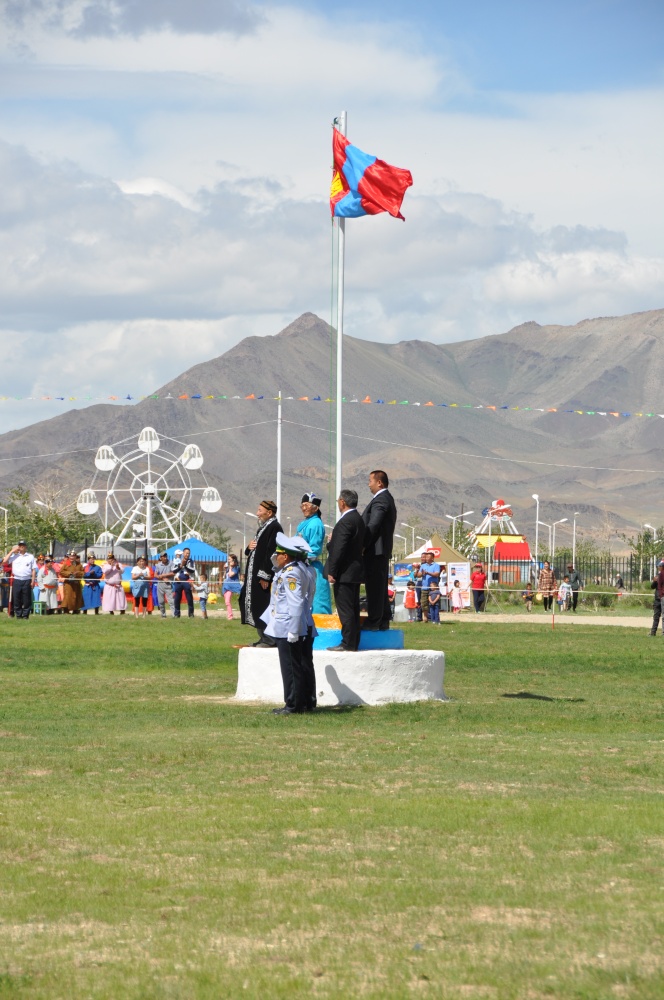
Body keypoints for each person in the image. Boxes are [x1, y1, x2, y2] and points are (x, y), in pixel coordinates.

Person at [260, 533, 316, 715]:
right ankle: (301, 702)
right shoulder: (294, 570)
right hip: (291, 623)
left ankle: (292, 705)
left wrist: (293, 630)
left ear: (286, 556)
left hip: (288, 626)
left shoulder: (291, 574)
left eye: (278, 554)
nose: (275, 557)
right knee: (297, 665)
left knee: (291, 667)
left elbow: (295, 603)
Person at [324, 489, 365, 652]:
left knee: (345, 609)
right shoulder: (358, 519)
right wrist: (331, 543)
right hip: (354, 572)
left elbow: (339, 549)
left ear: (342, 502)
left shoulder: (346, 521)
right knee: (353, 608)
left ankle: (347, 642)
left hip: (344, 573)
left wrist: (332, 571)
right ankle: (353, 641)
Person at [240, 499, 282, 647]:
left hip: (262, 577)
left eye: (260, 511)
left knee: (263, 605)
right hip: (254, 577)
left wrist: (265, 576)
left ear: (269, 513)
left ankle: (270, 639)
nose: (257, 514)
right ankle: (263, 637)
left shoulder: (275, 527)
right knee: (256, 605)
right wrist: (248, 547)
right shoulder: (263, 528)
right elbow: (255, 550)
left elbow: (272, 553)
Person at [361, 470, 397, 631]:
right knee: (380, 587)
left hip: (375, 550)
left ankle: (374, 620)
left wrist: (363, 544)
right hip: (379, 551)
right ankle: (383, 619)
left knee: (374, 587)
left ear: (379, 483)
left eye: (370, 481)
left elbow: (373, 525)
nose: (369, 484)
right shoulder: (385, 498)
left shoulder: (381, 500)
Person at [296, 492, 332, 614]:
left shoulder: (316, 524)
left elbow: (314, 550)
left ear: (315, 507)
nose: (304, 508)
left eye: (306, 505)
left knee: (316, 602)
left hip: (312, 568)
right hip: (302, 566)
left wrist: (299, 555)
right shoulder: (303, 524)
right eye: (302, 506)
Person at [3, 541, 37, 619]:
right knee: (17, 598)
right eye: (20, 546)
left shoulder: (30, 556)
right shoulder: (15, 556)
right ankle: (18, 615)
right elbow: (5, 561)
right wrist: (12, 551)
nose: (21, 547)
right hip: (17, 579)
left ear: (26, 547)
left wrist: (33, 581)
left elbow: (33, 570)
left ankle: (25, 615)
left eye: (23, 546)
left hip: (27, 579)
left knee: (26, 599)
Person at [171, 547, 195, 618]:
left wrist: (185, 565)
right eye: (186, 553)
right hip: (178, 581)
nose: (187, 554)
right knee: (177, 598)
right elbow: (174, 570)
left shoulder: (190, 561)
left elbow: (192, 570)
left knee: (189, 598)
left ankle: (191, 613)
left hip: (187, 581)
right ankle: (177, 613)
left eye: (189, 553)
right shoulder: (177, 560)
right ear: (183, 553)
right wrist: (181, 565)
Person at [417, 552, 441, 622]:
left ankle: (435, 619)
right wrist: (421, 573)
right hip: (424, 587)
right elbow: (418, 575)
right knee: (424, 603)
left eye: (428, 557)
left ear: (432, 558)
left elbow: (436, 574)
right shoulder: (423, 565)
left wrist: (428, 573)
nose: (426, 558)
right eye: (426, 557)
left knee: (434, 604)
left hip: (433, 589)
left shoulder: (436, 565)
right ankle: (425, 618)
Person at [154, 551, 174, 618]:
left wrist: (164, 575)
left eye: (166, 556)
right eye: (163, 557)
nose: (165, 558)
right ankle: (163, 615)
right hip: (160, 584)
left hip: (168, 584)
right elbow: (155, 575)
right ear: (161, 557)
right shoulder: (158, 565)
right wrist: (161, 577)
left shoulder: (171, 563)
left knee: (171, 601)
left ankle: (174, 615)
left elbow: (173, 573)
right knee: (161, 601)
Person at [222, 554, 242, 620]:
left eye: (229, 559)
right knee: (226, 602)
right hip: (226, 585)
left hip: (232, 586)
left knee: (227, 601)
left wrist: (230, 567)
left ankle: (230, 616)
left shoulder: (236, 568)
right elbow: (225, 576)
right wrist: (225, 569)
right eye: (228, 559)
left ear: (233, 560)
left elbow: (231, 575)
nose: (228, 560)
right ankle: (229, 615)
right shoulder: (228, 568)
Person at [650, 559, 664, 636]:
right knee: (656, 616)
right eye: (659, 566)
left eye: (660, 566)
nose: (659, 567)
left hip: (663, 598)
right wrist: (655, 581)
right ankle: (653, 632)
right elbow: (652, 587)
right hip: (657, 599)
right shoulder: (658, 576)